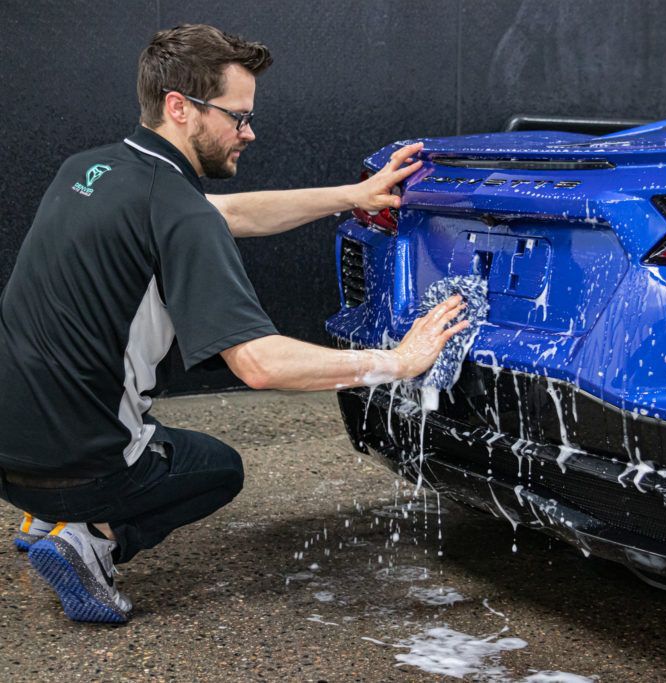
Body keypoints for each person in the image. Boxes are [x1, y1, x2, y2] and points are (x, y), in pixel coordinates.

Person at [0, 23, 466, 624]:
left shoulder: (88, 170)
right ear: (179, 108)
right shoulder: (178, 210)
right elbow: (261, 364)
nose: (249, 132)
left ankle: (46, 512)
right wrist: (398, 363)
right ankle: (90, 536)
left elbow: (229, 213)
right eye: (236, 116)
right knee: (218, 469)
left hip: (9, 452)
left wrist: (355, 195)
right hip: (81, 467)